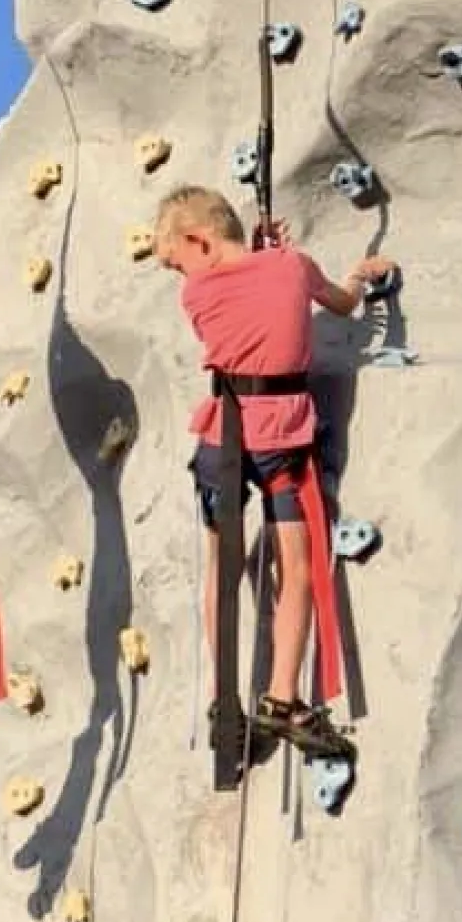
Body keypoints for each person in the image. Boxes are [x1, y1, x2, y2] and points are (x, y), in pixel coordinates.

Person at [155, 185, 395, 760]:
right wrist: (359, 278)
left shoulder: (198, 292)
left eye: (176, 259)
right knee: (299, 566)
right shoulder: (293, 266)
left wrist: (256, 256)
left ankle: (225, 695)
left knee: (225, 565)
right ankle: (282, 698)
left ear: (199, 240)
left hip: (224, 438)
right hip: (283, 439)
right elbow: (338, 302)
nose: (177, 274)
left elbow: (236, 290)